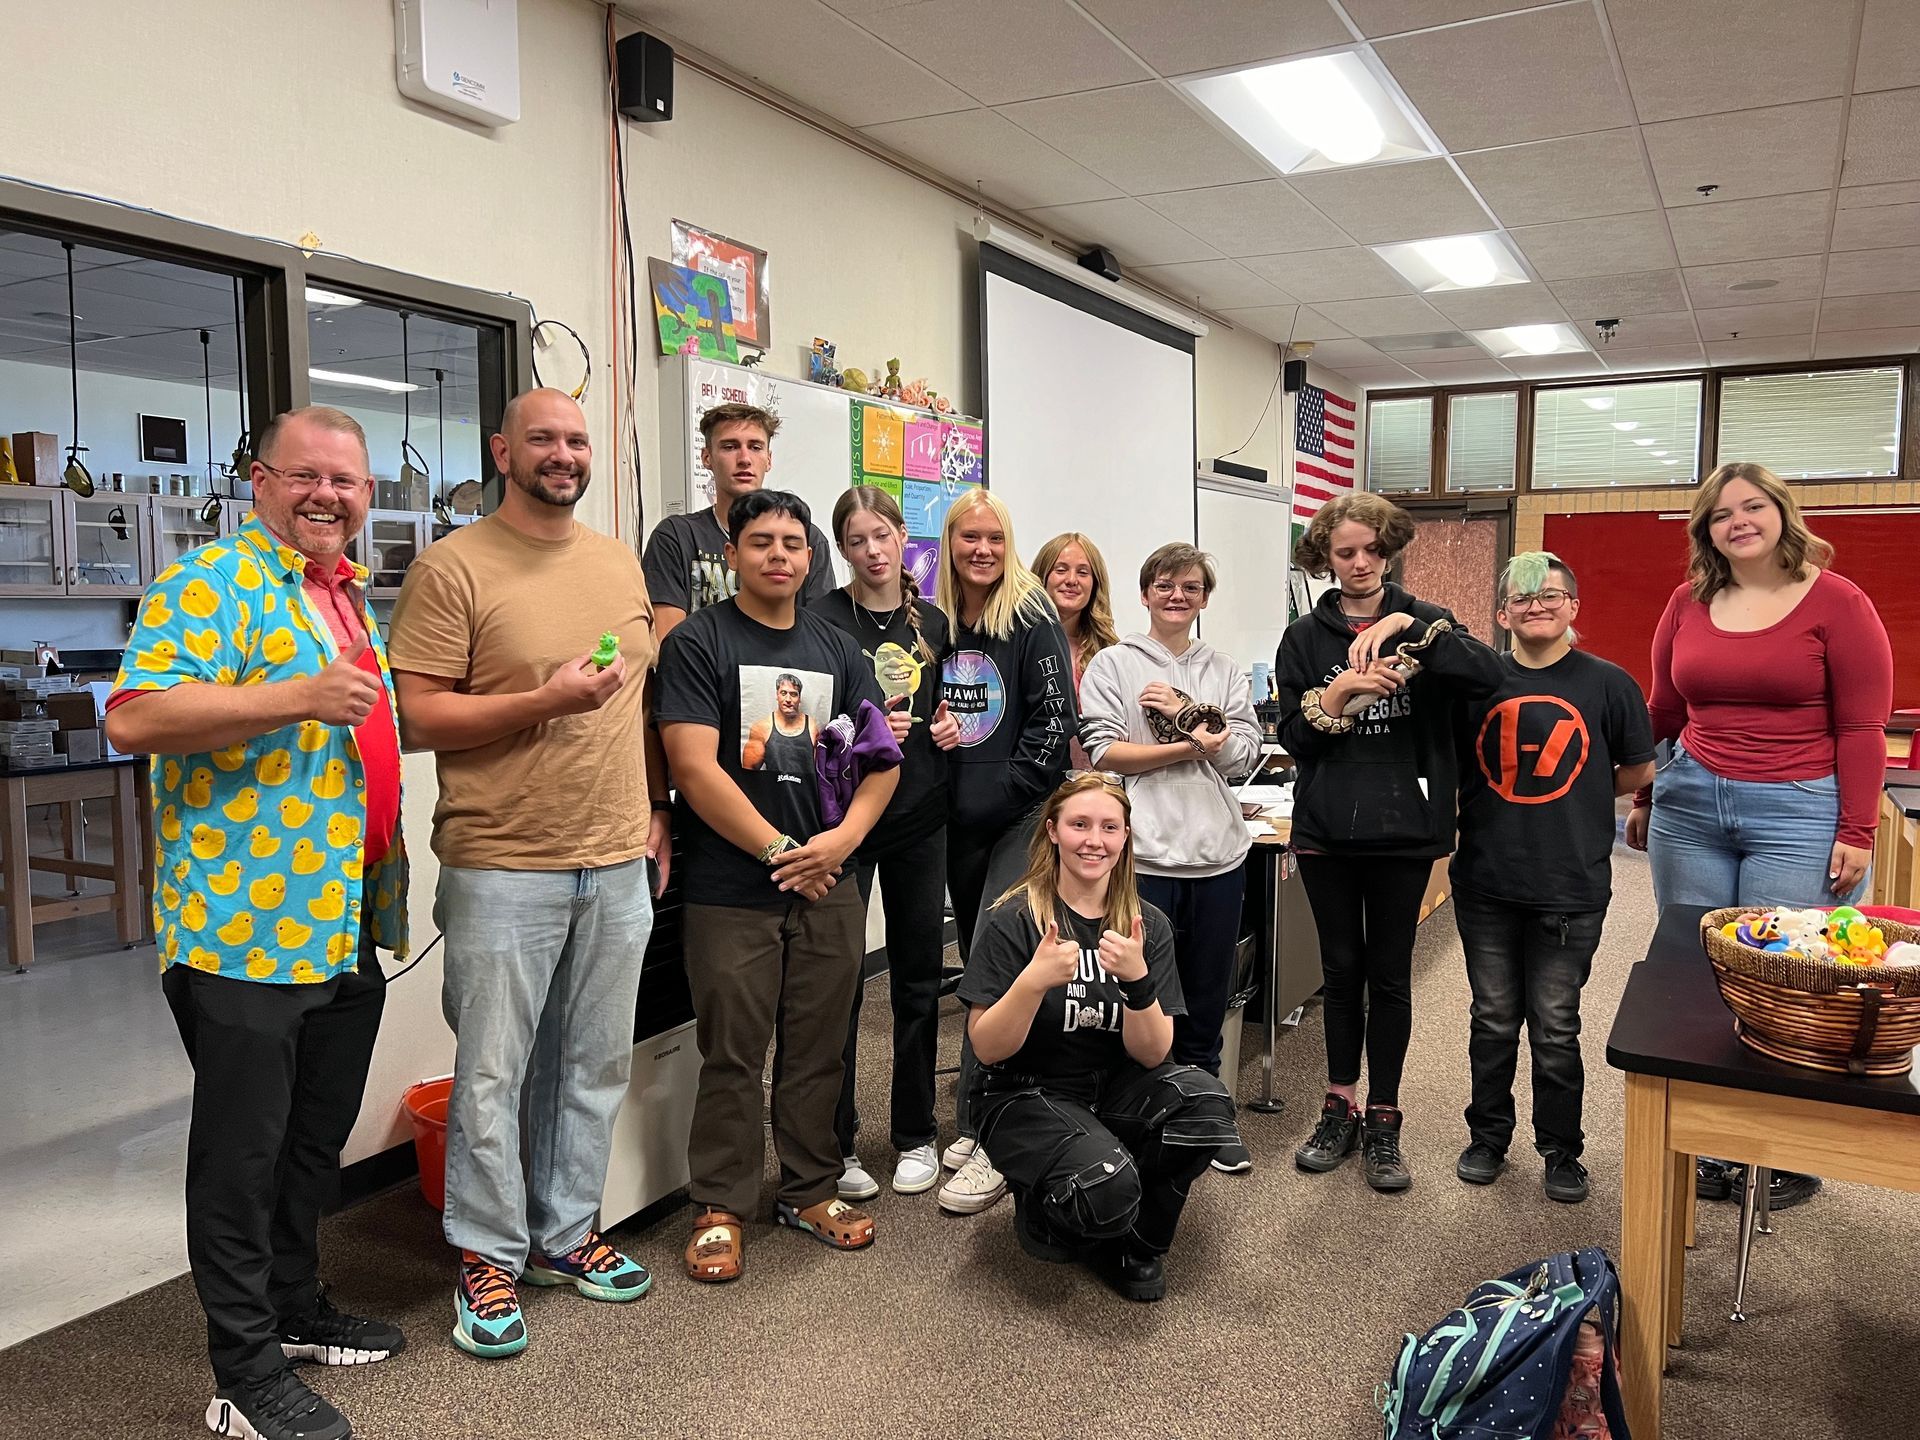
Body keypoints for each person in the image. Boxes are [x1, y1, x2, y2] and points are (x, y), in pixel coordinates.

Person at [106, 405, 408, 1440]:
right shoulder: (209, 585)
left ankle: (293, 1307)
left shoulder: (343, 592)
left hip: (339, 922)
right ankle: (241, 1372)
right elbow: (135, 716)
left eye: (349, 482)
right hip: (245, 931)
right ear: (261, 482)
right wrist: (291, 698)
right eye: (308, 476)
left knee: (309, 1141)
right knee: (239, 1156)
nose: (330, 495)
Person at [386, 388, 668, 1359]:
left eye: (577, 439)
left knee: (593, 1064)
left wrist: (652, 815)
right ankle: (487, 1255)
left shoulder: (615, 561)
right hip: (504, 860)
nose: (563, 453)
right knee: (496, 1072)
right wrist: (539, 701)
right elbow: (417, 717)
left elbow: (633, 707)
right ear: (504, 450)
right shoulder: (452, 568)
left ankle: (564, 1234)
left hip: (616, 857)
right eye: (543, 438)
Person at [1626, 461, 1892, 1210]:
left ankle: (1781, 1148)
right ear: (1706, 530)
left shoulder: (1839, 603)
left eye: (1752, 506)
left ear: (1781, 512)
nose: (1737, 521)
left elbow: (1862, 726)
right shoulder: (1689, 600)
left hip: (1800, 810)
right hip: (1692, 806)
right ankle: (1714, 1143)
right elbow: (1664, 709)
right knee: (1703, 967)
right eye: (1720, 513)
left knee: (1785, 976)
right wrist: (1644, 794)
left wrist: (1858, 830)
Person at [658, 489, 899, 1283]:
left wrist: (841, 841)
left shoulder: (839, 650)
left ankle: (808, 1189)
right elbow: (692, 766)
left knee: (819, 1048)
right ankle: (720, 1204)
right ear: (732, 554)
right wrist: (779, 851)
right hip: (733, 887)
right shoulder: (698, 643)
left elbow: (878, 764)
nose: (779, 556)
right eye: (761, 541)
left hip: (830, 881)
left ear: (809, 556)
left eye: (794, 543)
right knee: (732, 1053)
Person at [1275, 492, 1501, 1193]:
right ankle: (1338, 1102)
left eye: (1374, 550)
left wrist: (1415, 627)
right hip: (1327, 830)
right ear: (1325, 558)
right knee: (1341, 975)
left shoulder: (1425, 619)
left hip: (1406, 826)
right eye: (1346, 552)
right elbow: (1293, 737)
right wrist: (1341, 692)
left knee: (1391, 975)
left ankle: (1384, 1115)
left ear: (1390, 549)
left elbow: (1488, 676)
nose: (1362, 563)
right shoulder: (1305, 636)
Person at [959, 773, 1240, 1302]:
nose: (1095, 840)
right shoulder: (1013, 919)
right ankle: (1048, 1209)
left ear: (1126, 837)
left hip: (1111, 1085)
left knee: (1207, 1108)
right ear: (1053, 832)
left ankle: (1137, 1242)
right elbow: (987, 1048)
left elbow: (1155, 1053)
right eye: (1080, 825)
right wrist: (1032, 981)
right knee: (1103, 1188)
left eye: (1110, 827)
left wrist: (1137, 982)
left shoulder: (1145, 926)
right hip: (1024, 1092)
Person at [1451, 552, 1654, 1205]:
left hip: (1571, 884)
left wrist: (1583, 799)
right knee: (1492, 1018)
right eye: (1522, 598)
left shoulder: (1609, 683)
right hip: (1485, 882)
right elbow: (1452, 766)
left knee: (1556, 1024)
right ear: (1503, 611)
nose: (1536, 606)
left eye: (1551, 596)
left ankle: (1561, 1149)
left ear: (1573, 607)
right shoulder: (1478, 681)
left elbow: (1635, 772)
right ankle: (1488, 1137)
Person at [1080, 542, 1262, 1174]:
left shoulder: (1225, 669)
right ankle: (1140, 1113)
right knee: (1141, 994)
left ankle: (1207, 1112)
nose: (1177, 596)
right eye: (1165, 584)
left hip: (1217, 857)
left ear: (1205, 598)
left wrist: (1185, 717)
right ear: (1145, 593)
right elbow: (1103, 753)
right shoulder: (1114, 664)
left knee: (1209, 997)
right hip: (1146, 858)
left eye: (1190, 587)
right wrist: (1190, 746)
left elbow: (1242, 754)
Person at [811, 486, 962, 1201]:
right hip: (842, 821)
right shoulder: (820, 620)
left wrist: (946, 731)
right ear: (842, 548)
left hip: (918, 818)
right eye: (857, 540)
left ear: (904, 538)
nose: (873, 550)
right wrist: (857, 731)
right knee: (837, 984)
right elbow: (802, 725)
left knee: (916, 980)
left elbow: (959, 710)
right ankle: (835, 1146)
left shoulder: (933, 621)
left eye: (883, 536)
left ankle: (914, 1133)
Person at [933, 486, 1078, 1216]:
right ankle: (978, 1114)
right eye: (969, 537)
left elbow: (1057, 718)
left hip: (1017, 817)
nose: (982, 549)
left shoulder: (1029, 613)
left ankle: (989, 1130)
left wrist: (1005, 791)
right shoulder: (932, 621)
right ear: (950, 543)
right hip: (951, 818)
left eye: (994, 536)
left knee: (996, 958)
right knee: (983, 961)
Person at [641, 401, 837, 638]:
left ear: (769, 459)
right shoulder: (676, 537)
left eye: (755, 447)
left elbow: (819, 638)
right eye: (730, 446)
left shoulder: (805, 538)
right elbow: (670, 642)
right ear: (707, 458)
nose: (744, 458)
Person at [1032, 531, 1119, 769]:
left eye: (1083, 572)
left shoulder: (1108, 653)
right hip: (1034, 782)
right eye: (1061, 570)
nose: (1072, 580)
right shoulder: (1019, 644)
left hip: (1093, 784)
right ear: (1042, 577)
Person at [744, 672, 817, 772]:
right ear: (777, 695)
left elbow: (820, 772)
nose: (788, 699)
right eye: (783, 693)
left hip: (805, 787)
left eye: (793, 694)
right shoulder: (761, 728)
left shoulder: (812, 727)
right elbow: (748, 773)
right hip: (773, 787)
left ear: (799, 698)